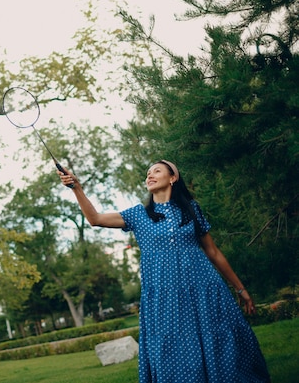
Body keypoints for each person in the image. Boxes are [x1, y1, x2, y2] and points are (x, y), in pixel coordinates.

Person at [58, 160, 270, 382]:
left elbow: (213, 253)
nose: (149, 175)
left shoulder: (191, 209)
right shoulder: (139, 215)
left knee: (220, 343)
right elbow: (95, 219)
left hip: (203, 291)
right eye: (147, 173)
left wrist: (240, 289)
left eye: (156, 171)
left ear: (173, 178)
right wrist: (77, 189)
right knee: (174, 349)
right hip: (164, 297)